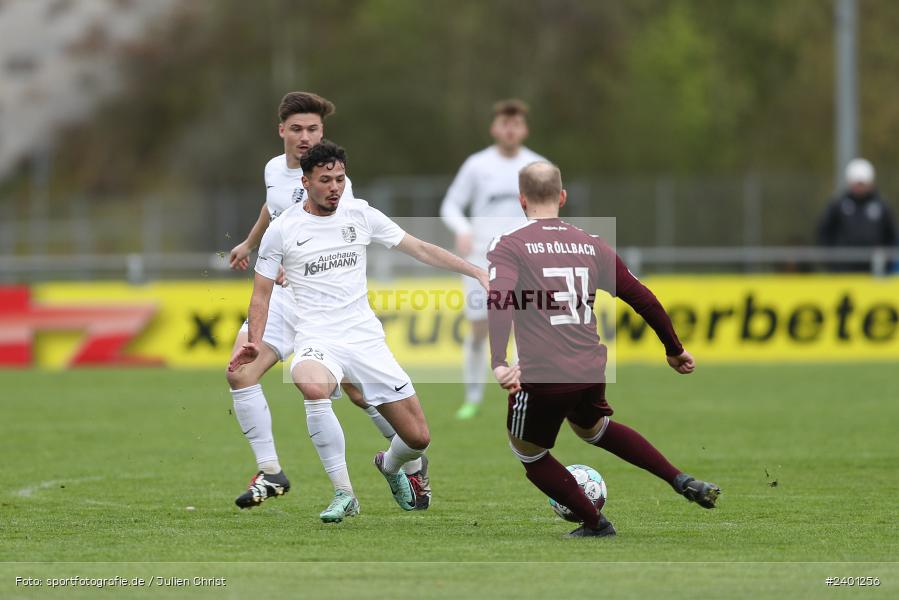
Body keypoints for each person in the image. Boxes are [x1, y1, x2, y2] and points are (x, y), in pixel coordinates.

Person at [230, 141, 488, 520]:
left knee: (417, 438)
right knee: (313, 385)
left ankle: (390, 465)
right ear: (306, 182)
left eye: (339, 178)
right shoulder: (282, 230)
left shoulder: (360, 214)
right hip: (316, 337)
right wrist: (254, 342)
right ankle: (344, 493)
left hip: (365, 338)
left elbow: (419, 249)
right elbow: (261, 295)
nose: (334, 187)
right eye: (325, 180)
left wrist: (476, 270)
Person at [487, 161, 720, 538]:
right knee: (594, 428)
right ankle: (679, 479)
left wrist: (499, 361)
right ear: (562, 197)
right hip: (588, 368)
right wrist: (674, 349)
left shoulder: (510, 244)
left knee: (529, 452)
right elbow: (643, 298)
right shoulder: (591, 244)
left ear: (521, 200)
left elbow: (498, 300)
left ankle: (595, 523)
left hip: (542, 373)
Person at [226, 92, 430, 519]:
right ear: (281, 131)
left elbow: (329, 233)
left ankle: (409, 463)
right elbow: (273, 208)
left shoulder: (334, 182)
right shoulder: (273, 169)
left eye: (313, 129)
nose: (305, 137)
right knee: (241, 372)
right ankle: (271, 472)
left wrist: (291, 263)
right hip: (282, 298)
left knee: (358, 392)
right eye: (297, 129)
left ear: (323, 133)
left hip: (319, 302)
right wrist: (251, 242)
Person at [440, 99, 547, 420]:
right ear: (494, 127)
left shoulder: (538, 165)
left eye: (516, 124)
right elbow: (451, 205)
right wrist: (462, 229)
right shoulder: (477, 165)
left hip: (523, 259)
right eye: (505, 123)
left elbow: (549, 208)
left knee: (521, 324)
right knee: (478, 329)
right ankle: (472, 397)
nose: (510, 129)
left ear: (524, 129)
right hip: (481, 259)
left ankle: (519, 392)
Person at [817, 158, 897, 272]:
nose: (859, 187)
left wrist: (886, 262)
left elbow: (891, 236)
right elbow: (824, 233)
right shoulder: (838, 205)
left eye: (862, 183)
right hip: (843, 271)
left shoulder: (882, 207)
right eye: (857, 183)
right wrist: (831, 262)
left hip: (874, 271)